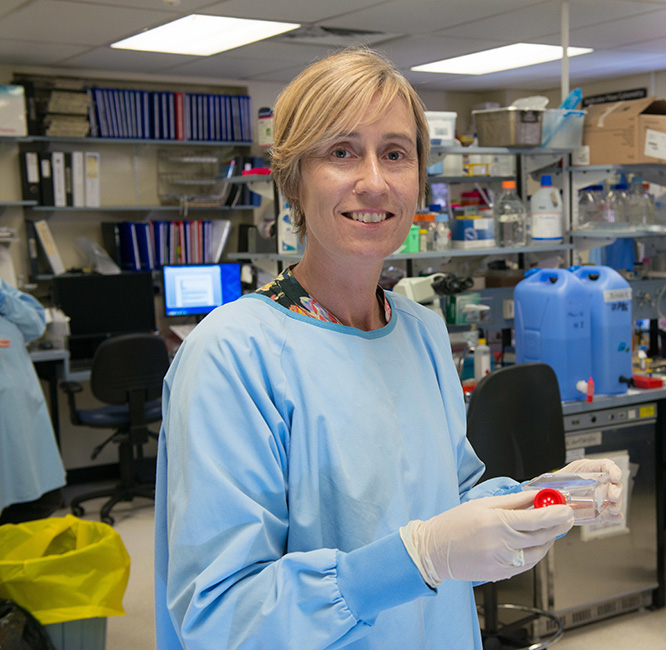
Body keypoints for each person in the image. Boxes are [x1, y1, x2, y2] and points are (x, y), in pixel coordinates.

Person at [154, 49, 622, 650]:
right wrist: (414, 559)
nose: (374, 181)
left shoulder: (421, 331)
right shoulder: (232, 354)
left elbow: (447, 504)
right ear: (293, 179)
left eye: (396, 154)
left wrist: (538, 496)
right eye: (341, 151)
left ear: (419, 179)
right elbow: (221, 615)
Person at [0, 278, 65, 524]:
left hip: (20, 402)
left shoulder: (3, 290)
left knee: (45, 498)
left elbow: (35, 324)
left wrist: (4, 301)